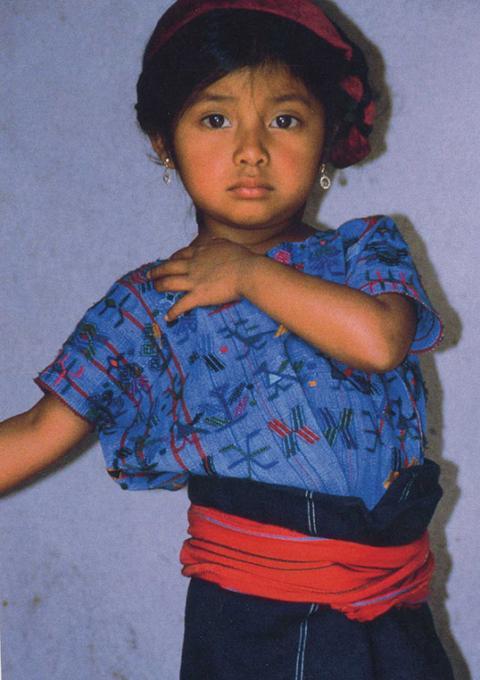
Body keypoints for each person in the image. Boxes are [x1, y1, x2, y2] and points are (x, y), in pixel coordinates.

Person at [1, 1, 454, 678]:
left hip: (392, 615)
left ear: (327, 135)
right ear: (162, 139)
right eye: (215, 118)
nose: (251, 149)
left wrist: (245, 274)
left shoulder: (365, 251)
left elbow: (381, 340)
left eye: (285, 119)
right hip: (249, 626)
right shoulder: (148, 304)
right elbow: (39, 430)